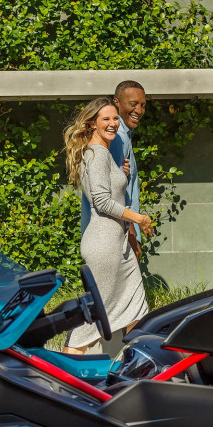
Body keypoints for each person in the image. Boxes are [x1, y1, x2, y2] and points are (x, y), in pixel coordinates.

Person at [63, 98, 154, 355]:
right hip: (104, 245)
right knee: (94, 318)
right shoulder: (97, 153)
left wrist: (121, 176)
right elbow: (101, 203)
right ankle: (63, 375)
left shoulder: (101, 152)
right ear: (92, 124)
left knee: (137, 309)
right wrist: (138, 218)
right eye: (106, 119)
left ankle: (138, 366)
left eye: (115, 118)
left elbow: (106, 193)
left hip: (118, 246)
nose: (113, 123)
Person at [80, 80, 147, 259]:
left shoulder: (121, 135)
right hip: (113, 235)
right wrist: (132, 236)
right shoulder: (118, 137)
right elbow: (115, 196)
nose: (139, 110)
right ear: (116, 103)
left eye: (142, 105)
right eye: (133, 104)